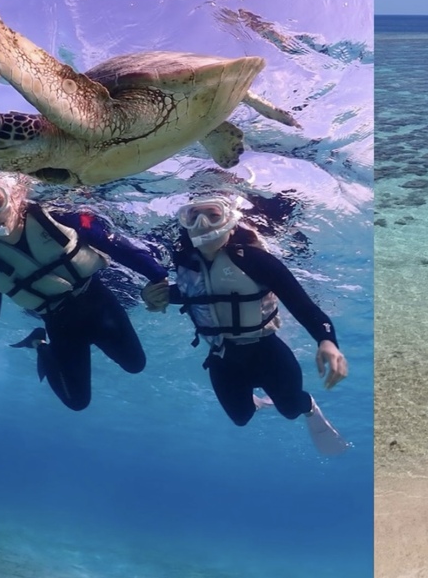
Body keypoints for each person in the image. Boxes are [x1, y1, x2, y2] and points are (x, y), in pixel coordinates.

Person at [0, 173, 168, 411]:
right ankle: (39, 344)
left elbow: (114, 244)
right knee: (77, 402)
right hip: (59, 325)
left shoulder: (59, 219)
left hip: (99, 303)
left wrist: (158, 276)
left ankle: (39, 342)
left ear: (13, 197)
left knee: (136, 365)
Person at [142, 192, 350, 456]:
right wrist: (154, 295)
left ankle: (309, 406)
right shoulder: (185, 262)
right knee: (240, 418)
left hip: (267, 352)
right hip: (222, 357)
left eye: (213, 215)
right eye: (193, 217)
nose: (203, 224)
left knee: (289, 409)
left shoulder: (255, 260)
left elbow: (302, 305)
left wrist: (327, 341)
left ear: (230, 221)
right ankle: (257, 400)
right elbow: (195, 294)